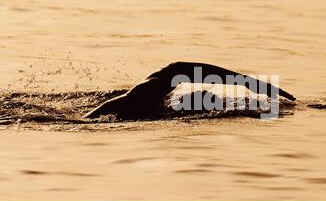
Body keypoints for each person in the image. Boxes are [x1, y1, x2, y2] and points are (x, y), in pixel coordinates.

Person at [83, 62, 296, 120]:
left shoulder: (158, 102)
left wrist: (248, 83)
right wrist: (248, 82)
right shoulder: (143, 97)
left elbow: (179, 69)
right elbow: (178, 68)